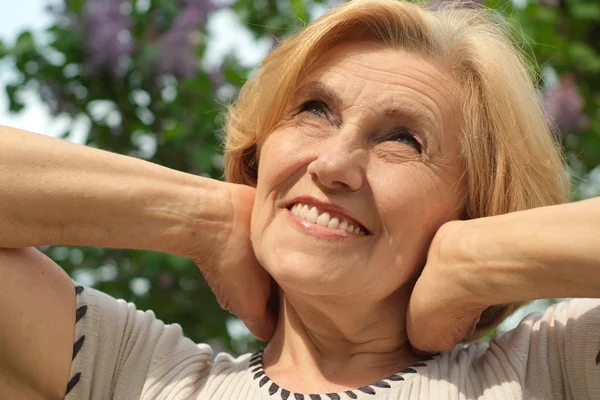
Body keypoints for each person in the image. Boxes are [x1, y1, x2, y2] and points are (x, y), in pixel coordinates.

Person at [0, 0, 599, 399]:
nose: (334, 165)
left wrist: (476, 260)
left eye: (402, 140)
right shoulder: (132, 371)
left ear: (473, 204)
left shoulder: (549, 372)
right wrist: (201, 218)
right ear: (260, 152)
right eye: (314, 110)